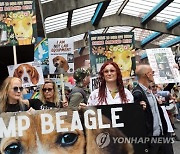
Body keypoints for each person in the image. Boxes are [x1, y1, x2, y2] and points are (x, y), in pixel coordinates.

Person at [132, 64, 173, 154]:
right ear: (147, 74)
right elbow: (136, 119)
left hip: (162, 136)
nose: (153, 75)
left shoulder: (149, 91)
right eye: (152, 73)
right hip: (151, 141)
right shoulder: (137, 94)